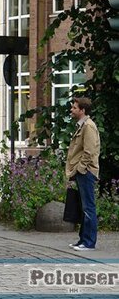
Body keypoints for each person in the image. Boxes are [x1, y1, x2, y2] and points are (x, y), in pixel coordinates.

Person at [66, 97, 100, 251]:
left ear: (82, 110)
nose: (71, 110)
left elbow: (89, 151)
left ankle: (89, 242)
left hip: (86, 172)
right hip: (82, 172)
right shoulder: (82, 126)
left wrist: (80, 169)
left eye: (74, 108)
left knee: (88, 208)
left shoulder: (89, 127)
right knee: (83, 207)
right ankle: (82, 240)